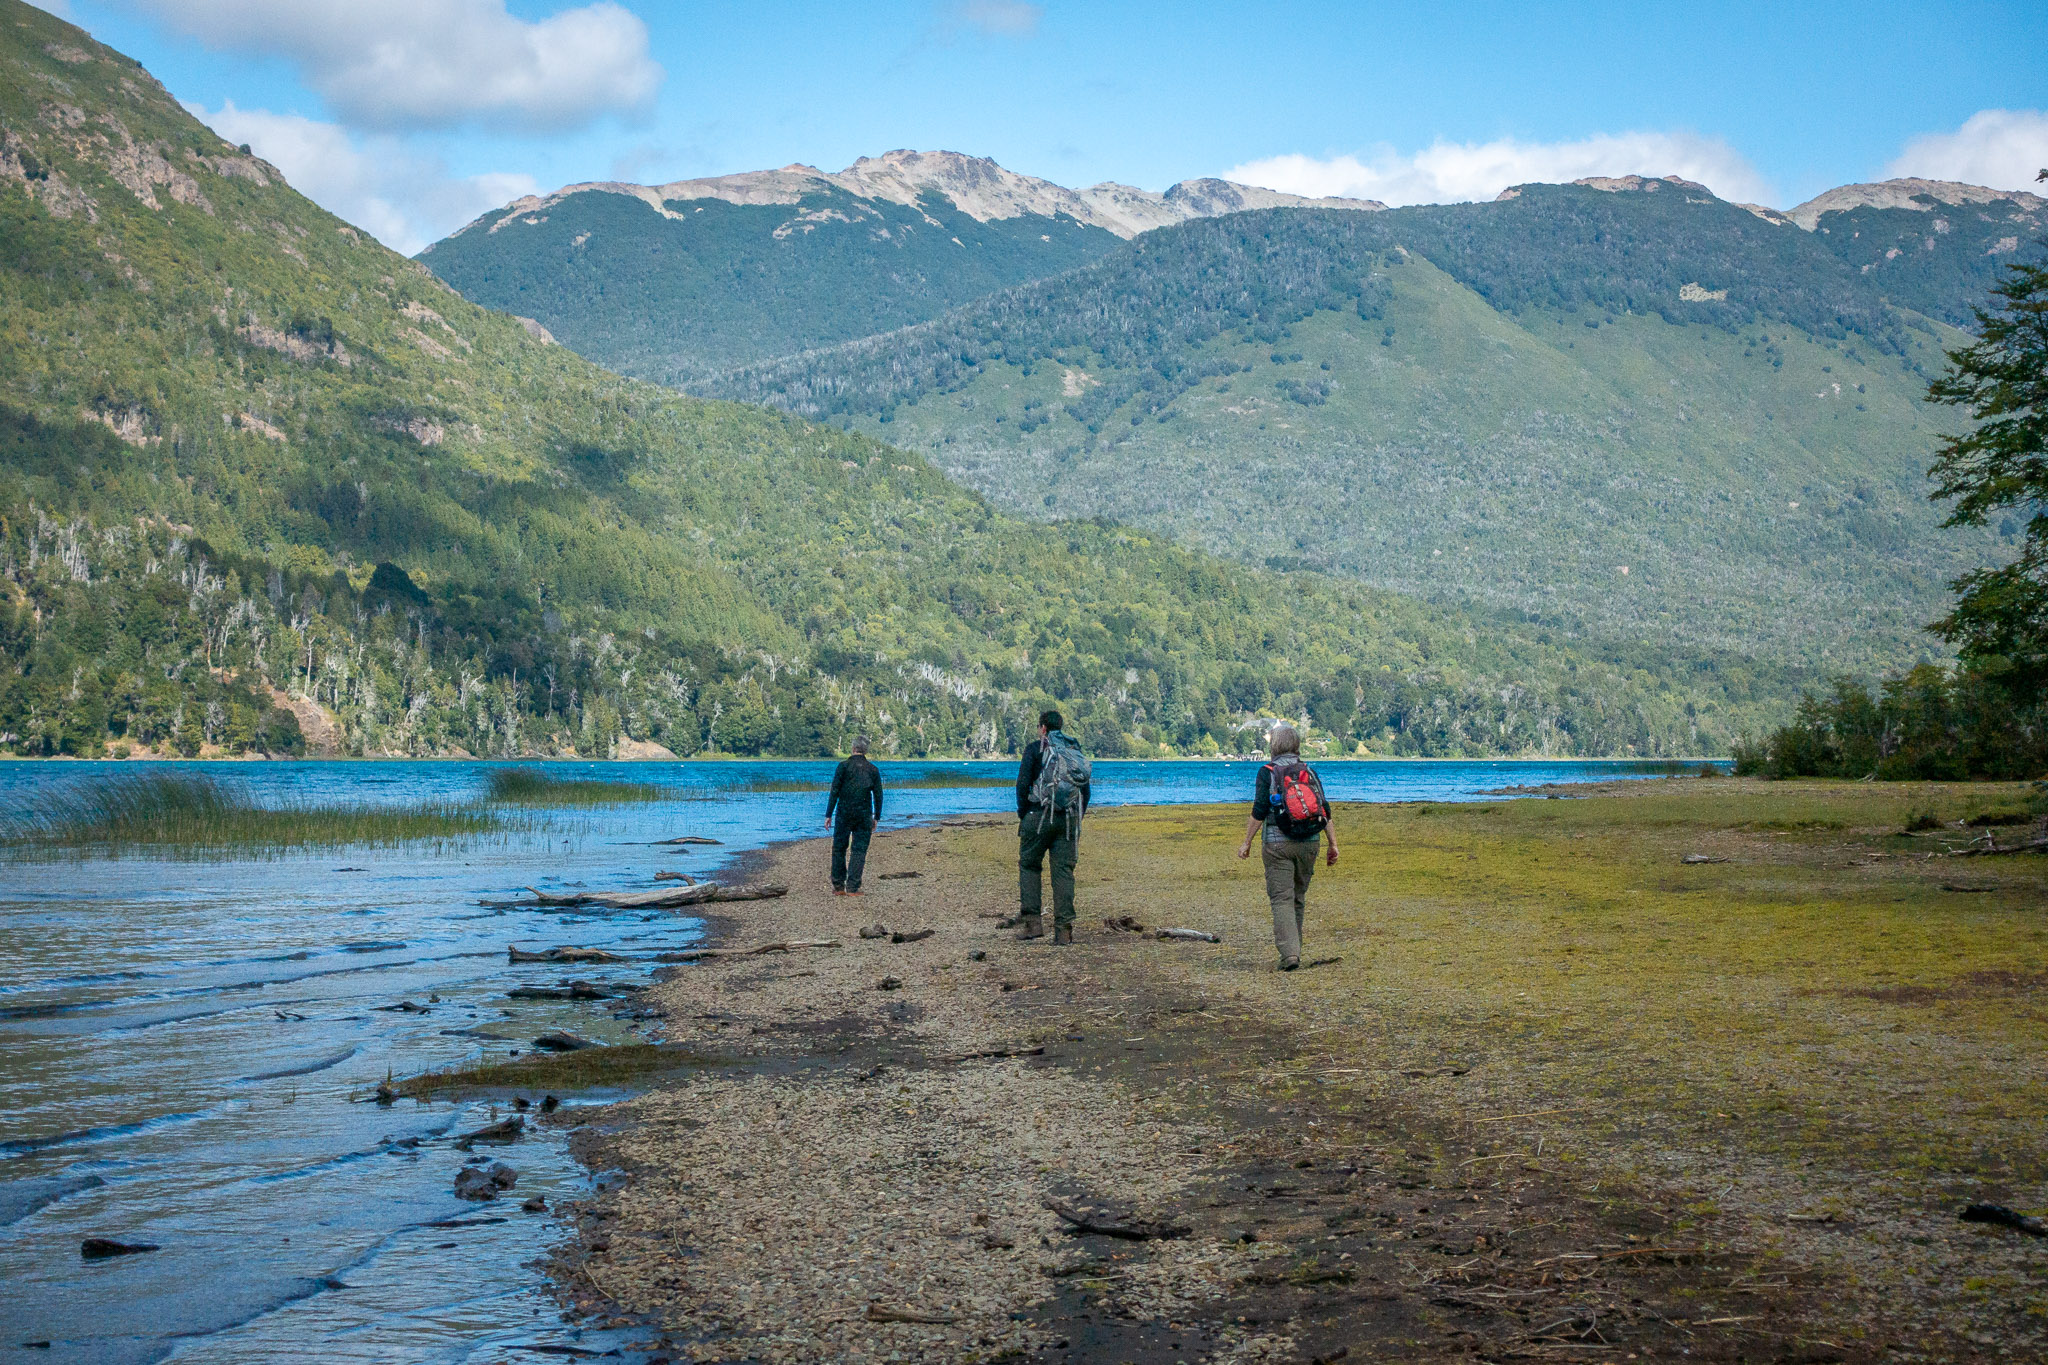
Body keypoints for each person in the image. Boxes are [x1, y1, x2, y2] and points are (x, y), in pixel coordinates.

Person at [1236, 722, 1336, 970]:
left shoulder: (1267, 772)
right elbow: (1324, 809)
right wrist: (1333, 844)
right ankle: (1295, 950)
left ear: (1274, 746)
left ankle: (1290, 955)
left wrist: (1246, 842)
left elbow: (1259, 810)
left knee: (1281, 899)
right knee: (1298, 897)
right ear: (1296, 745)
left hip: (1277, 845)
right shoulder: (1309, 771)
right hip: (1310, 843)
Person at [1014, 709, 1091, 944]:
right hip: (1067, 819)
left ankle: (1032, 924)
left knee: (1029, 865)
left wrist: (1024, 814)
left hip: (1038, 815)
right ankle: (1064, 931)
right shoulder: (1073, 752)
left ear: (1043, 728)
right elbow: (1085, 791)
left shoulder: (1034, 749)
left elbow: (1022, 784)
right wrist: (1077, 817)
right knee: (1064, 872)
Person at [824, 735, 883, 895]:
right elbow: (878, 795)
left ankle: (838, 885)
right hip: (864, 814)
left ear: (853, 748)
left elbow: (834, 791)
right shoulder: (873, 770)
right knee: (859, 849)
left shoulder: (843, 767)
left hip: (844, 812)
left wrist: (828, 814)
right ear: (866, 750)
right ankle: (852, 886)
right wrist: (877, 817)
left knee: (839, 848)